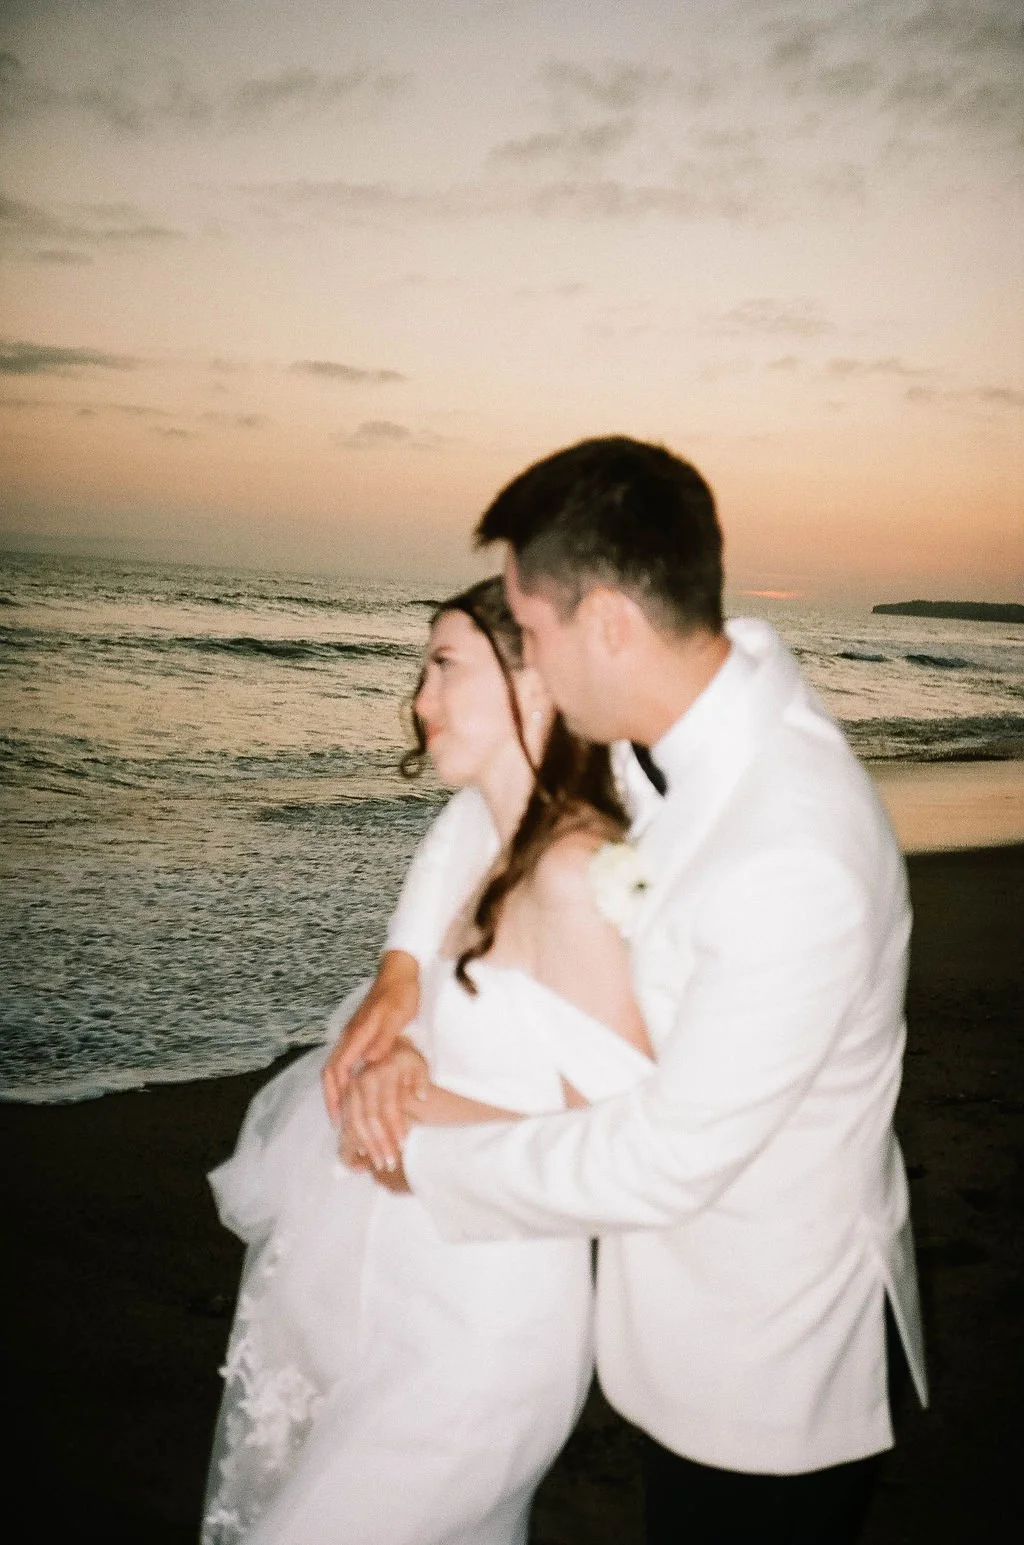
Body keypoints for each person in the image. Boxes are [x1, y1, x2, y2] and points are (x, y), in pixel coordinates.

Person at [325, 437, 928, 1545]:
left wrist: (408, 1144)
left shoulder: (790, 852)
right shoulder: (693, 723)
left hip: (762, 1370)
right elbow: (485, 814)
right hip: (676, 1328)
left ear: (607, 623)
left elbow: (664, 1160)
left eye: (537, 634)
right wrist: (405, 972)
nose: (533, 670)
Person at [200, 576, 655, 1545]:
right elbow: (452, 983)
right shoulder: (479, 835)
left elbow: (635, 1148)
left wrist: (417, 1097)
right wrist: (400, 1025)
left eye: (446, 665)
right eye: (422, 669)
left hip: (484, 1334)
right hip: (400, 1300)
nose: (419, 697)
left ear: (537, 680)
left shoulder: (577, 875)